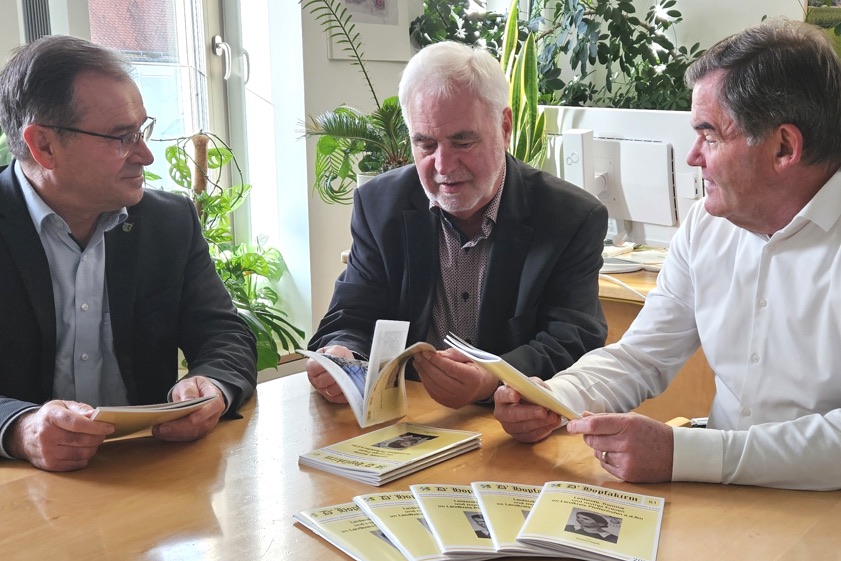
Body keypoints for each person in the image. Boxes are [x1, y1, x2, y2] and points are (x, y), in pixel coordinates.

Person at [493, 18, 841, 491]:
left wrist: (686, 453)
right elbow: (643, 357)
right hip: (722, 496)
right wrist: (554, 398)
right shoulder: (706, 225)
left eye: (710, 135)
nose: (693, 157)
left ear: (783, 147)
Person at [0, 35, 257, 472]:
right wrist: (19, 428)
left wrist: (211, 385)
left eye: (142, 130)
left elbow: (224, 335)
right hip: (19, 492)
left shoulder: (169, 222)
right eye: (122, 137)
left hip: (148, 473)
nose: (146, 155)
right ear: (43, 146)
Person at [307, 41, 608, 409]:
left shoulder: (570, 217)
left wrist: (491, 378)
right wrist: (341, 352)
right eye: (426, 144)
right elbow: (351, 314)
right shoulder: (379, 205)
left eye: (462, 142)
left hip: (514, 422)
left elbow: (574, 340)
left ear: (505, 126)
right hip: (410, 419)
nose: (443, 166)